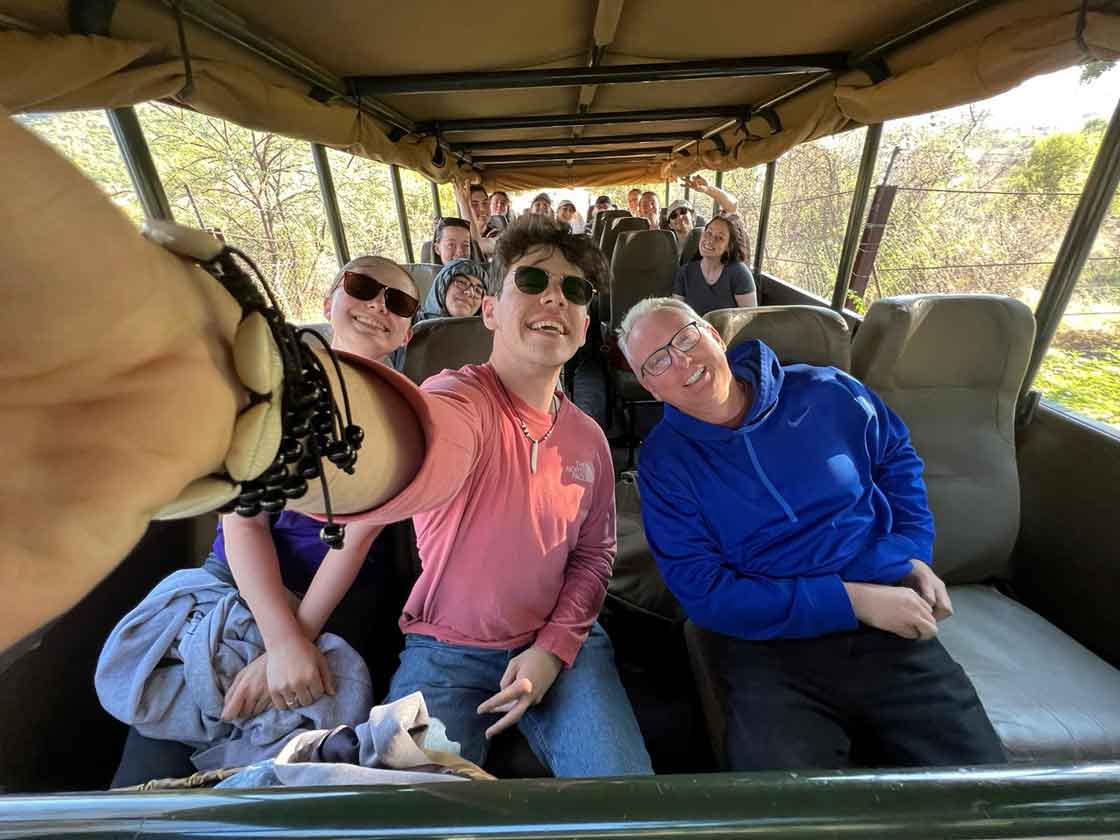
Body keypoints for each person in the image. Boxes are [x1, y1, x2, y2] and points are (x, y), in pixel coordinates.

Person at [1, 115, 650, 781]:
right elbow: (416, 449)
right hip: (445, 653)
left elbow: (595, 556)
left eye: (574, 291)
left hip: (565, 649)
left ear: (585, 324)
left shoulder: (590, 441)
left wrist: (555, 646)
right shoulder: (456, 397)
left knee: (638, 810)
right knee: (403, 813)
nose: (554, 299)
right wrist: (250, 413)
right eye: (533, 282)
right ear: (487, 311)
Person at [617, 297, 1007, 772]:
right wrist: (852, 600)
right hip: (769, 646)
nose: (681, 360)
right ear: (648, 387)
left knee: (983, 789)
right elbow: (703, 591)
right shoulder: (665, 464)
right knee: (787, 810)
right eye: (657, 360)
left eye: (684, 337)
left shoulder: (828, 391)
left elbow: (897, 461)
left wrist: (910, 556)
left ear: (714, 336)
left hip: (885, 626)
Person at [107, 256, 421, 784]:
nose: (377, 306)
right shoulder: (271, 393)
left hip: (335, 601)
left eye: (398, 301)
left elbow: (358, 538)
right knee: (158, 749)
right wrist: (281, 643)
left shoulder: (406, 417)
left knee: (287, 742)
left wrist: (294, 643)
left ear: (409, 327)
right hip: (235, 583)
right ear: (328, 303)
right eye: (363, 287)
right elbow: (244, 524)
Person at [672, 215, 757, 315]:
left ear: (729, 247)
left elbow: (749, 318)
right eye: (709, 233)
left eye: (720, 238)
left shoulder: (739, 273)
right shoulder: (684, 273)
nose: (710, 240)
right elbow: (677, 314)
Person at [416, 257, 488, 321]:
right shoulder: (409, 328)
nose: (470, 292)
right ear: (442, 286)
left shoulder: (487, 333)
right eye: (462, 282)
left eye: (478, 291)